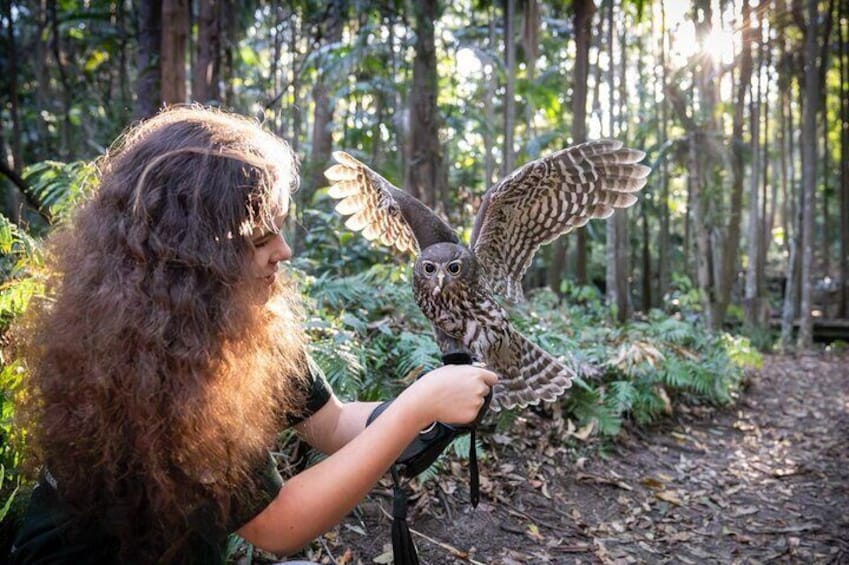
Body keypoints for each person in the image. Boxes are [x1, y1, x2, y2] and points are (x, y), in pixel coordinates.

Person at [9, 105, 496, 564]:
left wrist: (432, 408)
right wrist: (417, 407)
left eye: (280, 229)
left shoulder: (248, 319)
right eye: (262, 238)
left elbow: (334, 424)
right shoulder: (149, 363)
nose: (284, 251)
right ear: (193, 255)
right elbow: (277, 526)